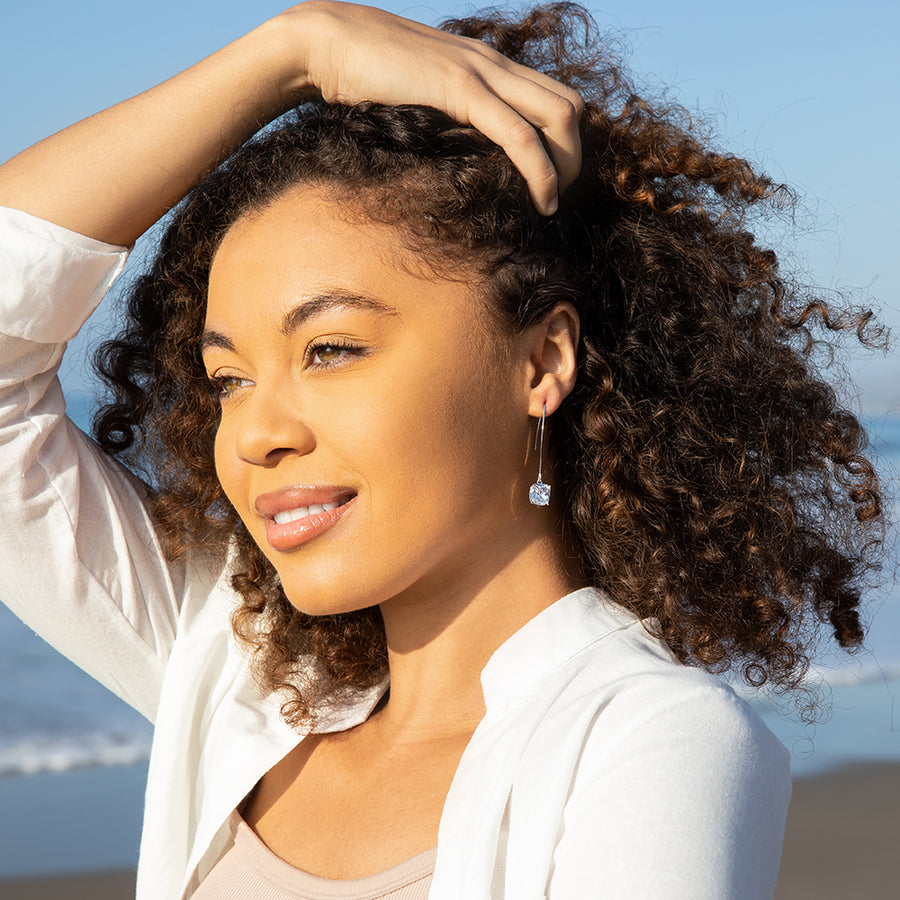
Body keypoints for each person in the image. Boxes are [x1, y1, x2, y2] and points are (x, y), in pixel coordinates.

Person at [0, 2, 884, 898]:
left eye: (330, 349)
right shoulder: (235, 669)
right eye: (230, 380)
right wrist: (288, 55)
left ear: (542, 361)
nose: (259, 433)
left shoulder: (650, 742)